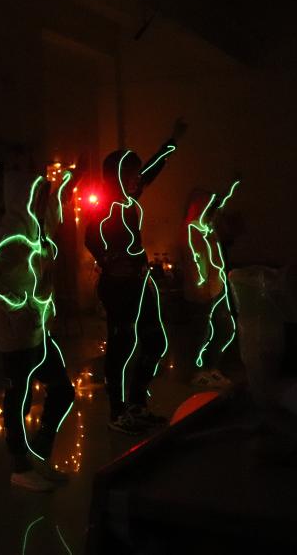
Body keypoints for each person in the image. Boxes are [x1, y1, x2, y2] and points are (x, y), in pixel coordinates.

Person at [84, 118, 188, 435]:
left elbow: (151, 171)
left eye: (136, 174)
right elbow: (91, 237)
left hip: (140, 281)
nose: (136, 179)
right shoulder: (105, 206)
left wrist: (171, 142)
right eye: (130, 174)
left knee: (154, 341)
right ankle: (118, 412)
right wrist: (108, 260)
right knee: (122, 346)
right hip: (119, 286)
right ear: (117, 176)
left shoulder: (129, 199)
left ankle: (137, 405)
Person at [0, 166, 76, 492]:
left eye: (43, 194)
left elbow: (55, 210)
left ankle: (38, 454)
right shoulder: (12, 235)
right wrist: (18, 305)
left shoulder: (39, 228)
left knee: (62, 391)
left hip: (39, 331)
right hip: (16, 336)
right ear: (22, 197)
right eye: (37, 194)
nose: (42, 199)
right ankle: (20, 467)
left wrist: (69, 181)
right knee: (19, 399)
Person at [186, 179, 241, 388]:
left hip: (218, 289)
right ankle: (197, 372)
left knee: (226, 329)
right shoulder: (191, 230)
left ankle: (212, 367)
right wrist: (200, 285)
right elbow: (192, 262)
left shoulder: (209, 229)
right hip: (203, 293)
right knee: (201, 334)